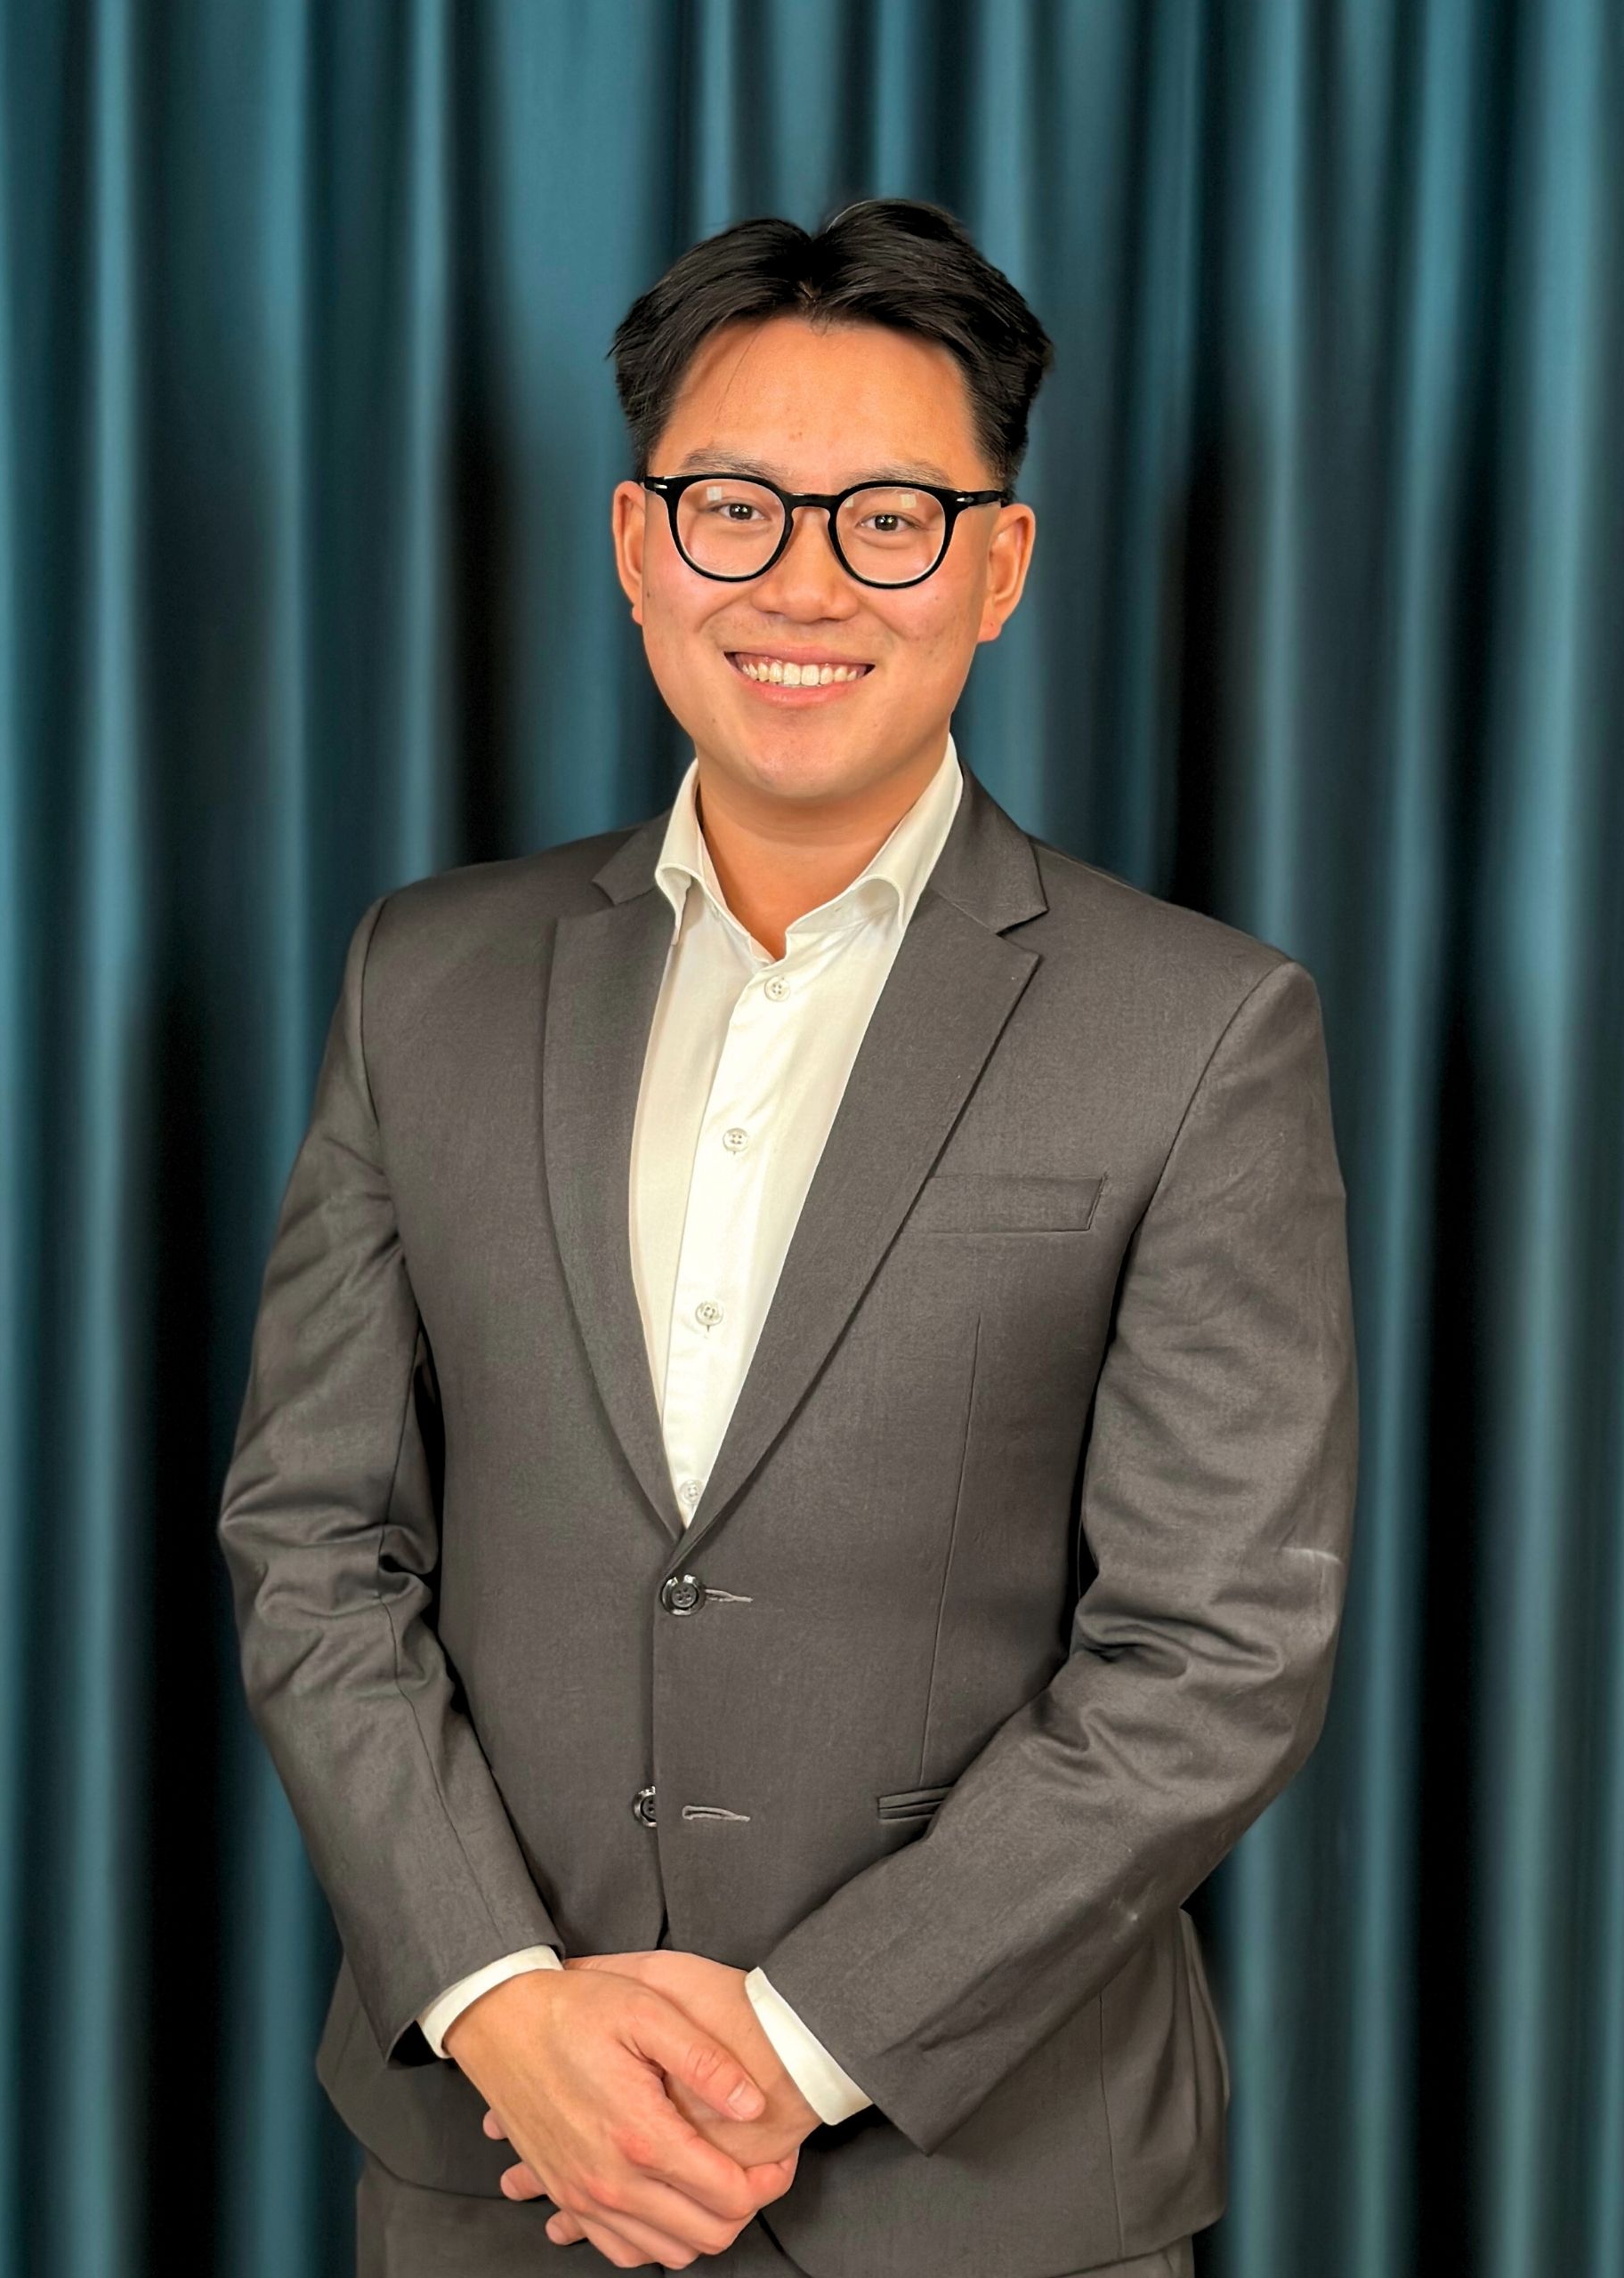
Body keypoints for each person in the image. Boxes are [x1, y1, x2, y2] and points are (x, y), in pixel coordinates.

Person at [217, 197, 1358, 2277]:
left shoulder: (1200, 1030)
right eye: (737, 508)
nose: (806, 582)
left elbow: (1215, 1650)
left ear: (998, 565)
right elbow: (312, 1535)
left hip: (993, 2193)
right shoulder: (426, 976)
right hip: (499, 2172)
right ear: (646, 545)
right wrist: (498, 1994)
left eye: (893, 518)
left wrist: (797, 2038)